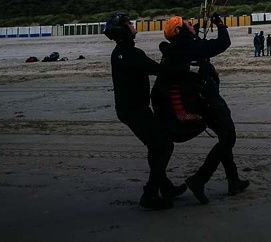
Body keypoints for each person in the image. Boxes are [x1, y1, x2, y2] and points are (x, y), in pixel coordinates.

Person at [158, 14, 250, 204]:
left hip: (197, 100)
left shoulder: (177, 48)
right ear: (179, 31)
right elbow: (223, 42)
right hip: (208, 100)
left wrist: (195, 36)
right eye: (188, 25)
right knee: (229, 136)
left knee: (224, 136)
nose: (192, 26)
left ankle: (233, 180)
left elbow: (196, 58)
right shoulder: (191, 47)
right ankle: (200, 179)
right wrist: (219, 23)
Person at [104, 11, 187, 210]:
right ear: (124, 29)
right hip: (135, 111)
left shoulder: (119, 53)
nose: (133, 25)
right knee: (165, 145)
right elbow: (157, 69)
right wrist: (183, 70)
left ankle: (165, 187)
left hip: (130, 110)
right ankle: (150, 194)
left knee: (155, 145)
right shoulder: (132, 54)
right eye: (129, 23)